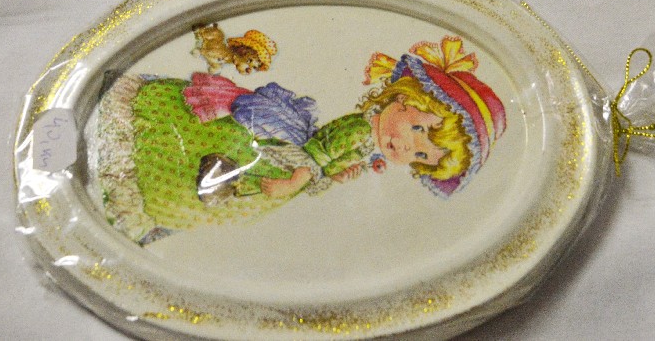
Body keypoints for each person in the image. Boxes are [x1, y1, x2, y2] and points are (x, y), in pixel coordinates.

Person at [92, 36, 505, 245]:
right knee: (210, 178)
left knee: (221, 199)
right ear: (402, 100)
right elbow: (316, 152)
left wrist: (338, 174)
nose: (409, 148)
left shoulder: (368, 142)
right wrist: (296, 180)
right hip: (283, 162)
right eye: (418, 130)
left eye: (421, 156)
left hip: (290, 172)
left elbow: (328, 163)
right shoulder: (361, 129)